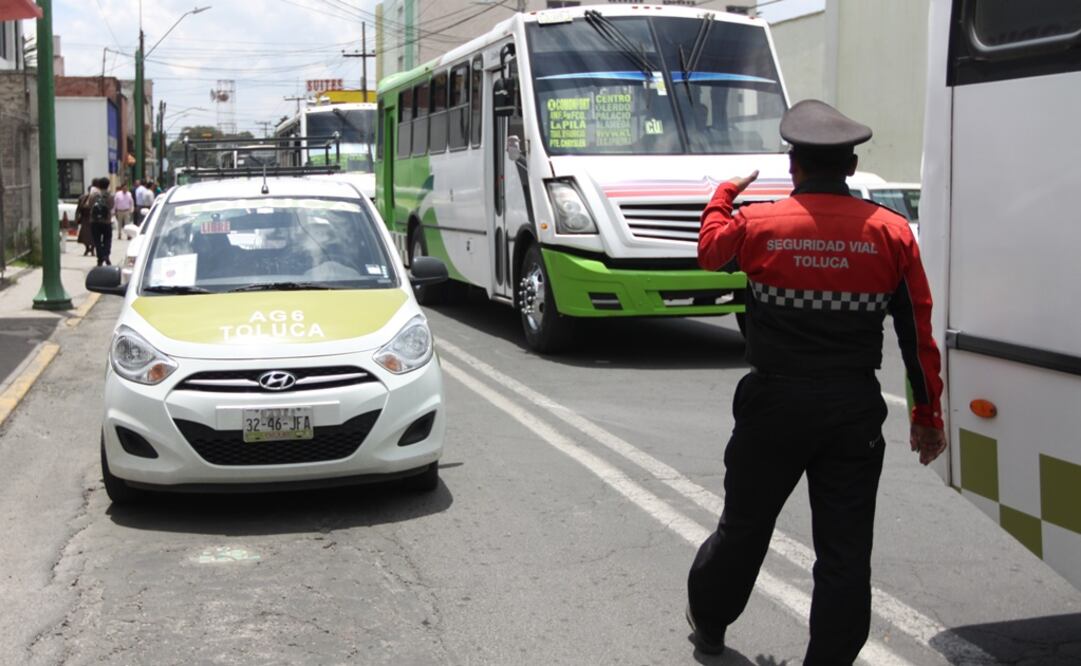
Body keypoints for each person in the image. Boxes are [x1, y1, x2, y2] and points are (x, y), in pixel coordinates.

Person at [686, 99, 947, 664]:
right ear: (851, 168)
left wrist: (724, 193)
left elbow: (709, 252)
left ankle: (708, 625)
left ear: (793, 166)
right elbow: (917, 332)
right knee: (845, 553)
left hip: (772, 406)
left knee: (745, 527)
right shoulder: (892, 233)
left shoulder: (756, 224)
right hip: (852, 409)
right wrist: (927, 416)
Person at [88, 177, 115, 266]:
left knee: (97, 240)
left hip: (95, 221)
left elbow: (90, 205)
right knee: (107, 239)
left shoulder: (94, 195)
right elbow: (111, 207)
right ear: (108, 185)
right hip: (106, 221)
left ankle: (100, 258)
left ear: (98, 185)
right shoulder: (110, 196)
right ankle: (106, 255)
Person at [74, 185, 96, 256]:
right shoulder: (82, 198)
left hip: (94, 219)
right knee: (84, 236)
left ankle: (92, 249)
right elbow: (78, 209)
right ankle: (87, 248)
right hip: (85, 219)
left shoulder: (97, 198)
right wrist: (77, 218)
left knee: (94, 236)